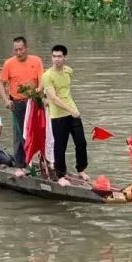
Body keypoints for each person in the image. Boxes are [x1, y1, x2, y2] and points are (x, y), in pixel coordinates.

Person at [41, 44, 88, 186]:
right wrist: (70, 110)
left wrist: (73, 110)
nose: (56, 59)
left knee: (81, 142)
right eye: (54, 56)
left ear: (65, 58)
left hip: (73, 112)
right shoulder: (47, 76)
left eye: (59, 56)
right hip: (58, 115)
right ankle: (60, 175)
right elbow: (54, 98)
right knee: (60, 146)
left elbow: (66, 91)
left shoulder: (68, 71)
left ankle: (81, 169)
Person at [0, 36, 45, 167]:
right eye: (16, 50)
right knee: (19, 134)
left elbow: (42, 79)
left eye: (21, 49)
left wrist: (39, 90)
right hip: (18, 103)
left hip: (34, 101)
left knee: (38, 132)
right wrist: (6, 101)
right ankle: (20, 165)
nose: (18, 53)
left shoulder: (36, 61)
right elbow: (1, 83)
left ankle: (41, 163)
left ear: (26, 48)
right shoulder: (9, 63)